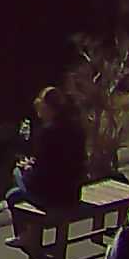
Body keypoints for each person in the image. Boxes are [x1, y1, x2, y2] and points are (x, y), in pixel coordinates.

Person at [15, 85, 88, 214]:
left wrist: (27, 168)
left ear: (48, 108)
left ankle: (28, 227)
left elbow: (41, 173)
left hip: (51, 197)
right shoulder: (77, 129)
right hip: (73, 194)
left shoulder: (47, 133)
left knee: (15, 178)